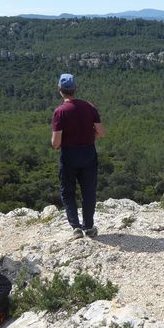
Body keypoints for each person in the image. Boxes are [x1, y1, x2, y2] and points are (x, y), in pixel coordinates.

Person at [51, 73, 106, 240]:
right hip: (89, 153)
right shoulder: (90, 107)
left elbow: (55, 143)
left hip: (69, 155)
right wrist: (89, 137)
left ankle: (75, 227)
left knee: (68, 191)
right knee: (88, 191)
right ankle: (89, 227)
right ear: (75, 89)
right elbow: (101, 132)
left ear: (60, 90)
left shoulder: (60, 112)